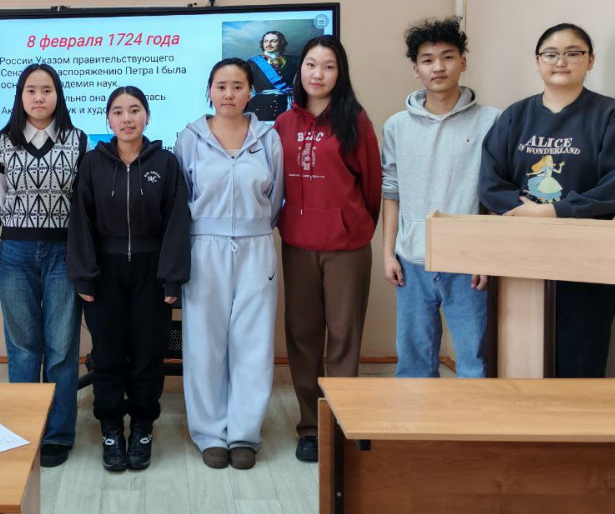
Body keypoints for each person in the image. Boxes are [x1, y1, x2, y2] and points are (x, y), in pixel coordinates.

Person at [479, 23, 615, 378]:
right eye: (551, 54)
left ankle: (575, 417)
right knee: (516, 354)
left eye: (573, 53)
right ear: (537, 62)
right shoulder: (515, 116)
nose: (561, 62)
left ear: (590, 60)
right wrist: (526, 211)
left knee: (580, 354)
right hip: (521, 252)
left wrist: (555, 210)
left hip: (585, 256)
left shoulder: (609, 115)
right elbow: (490, 181)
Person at [67, 86, 191, 472]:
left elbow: (177, 223)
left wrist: (172, 280)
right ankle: (109, 427)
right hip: (105, 273)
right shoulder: (92, 163)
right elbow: (81, 223)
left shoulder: (166, 163)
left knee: (148, 354)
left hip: (151, 273)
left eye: (134, 110)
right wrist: (85, 277)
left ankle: (141, 426)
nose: (126, 118)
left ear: (147, 116)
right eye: (118, 111)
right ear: (108, 119)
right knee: (106, 354)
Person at [273, 35, 381, 463]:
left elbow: (371, 187)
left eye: (329, 66)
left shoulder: (356, 120)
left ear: (340, 73)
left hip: (346, 247)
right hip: (298, 245)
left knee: (343, 336)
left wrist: (352, 225)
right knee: (302, 337)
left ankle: (339, 422)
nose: (318, 74)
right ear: (299, 70)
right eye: (311, 65)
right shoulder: (284, 123)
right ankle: (310, 426)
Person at [175, 58, 284, 470]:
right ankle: (209, 434)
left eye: (238, 86)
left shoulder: (268, 138)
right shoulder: (190, 138)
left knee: (253, 343)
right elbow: (183, 196)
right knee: (204, 343)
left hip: (256, 246)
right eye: (221, 86)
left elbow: (276, 196)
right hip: (204, 247)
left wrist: (253, 229)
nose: (229, 93)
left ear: (250, 91)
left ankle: (243, 434)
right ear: (209, 90)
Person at [381, 18, 499, 379]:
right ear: (415, 69)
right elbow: (391, 191)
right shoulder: (397, 125)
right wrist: (388, 253)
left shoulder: (492, 121)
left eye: (447, 57)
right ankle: (416, 419)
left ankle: (473, 419)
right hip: (412, 259)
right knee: (414, 363)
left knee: (475, 361)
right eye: (428, 60)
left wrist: (487, 256)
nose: (438, 67)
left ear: (463, 62)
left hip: (468, 261)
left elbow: (497, 195)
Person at [0, 63, 87, 468]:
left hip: (64, 251)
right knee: (23, 346)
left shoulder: (77, 140)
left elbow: (81, 200)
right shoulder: (2, 141)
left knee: (62, 347)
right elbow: (2, 197)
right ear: (20, 96)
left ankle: (58, 433)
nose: (39, 97)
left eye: (47, 90)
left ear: (58, 95)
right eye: (31, 90)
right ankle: (26, 428)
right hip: (16, 251)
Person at [247, 30, 299, 121]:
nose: (268, 44)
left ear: (281, 42)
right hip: (262, 108)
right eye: (266, 41)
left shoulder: (294, 61)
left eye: (273, 41)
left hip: (286, 106)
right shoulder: (252, 63)